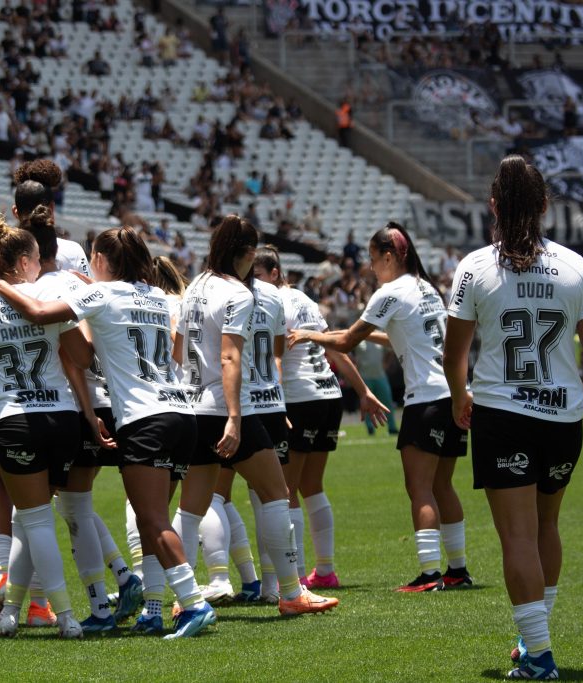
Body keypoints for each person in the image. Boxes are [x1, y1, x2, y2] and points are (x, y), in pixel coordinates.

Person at [442, 155, 583, 680]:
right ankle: (534, 641)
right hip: (563, 417)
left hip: (503, 412)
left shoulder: (475, 267)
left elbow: (454, 351)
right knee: (547, 525)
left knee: (519, 538)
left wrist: (460, 393)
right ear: (546, 204)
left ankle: (539, 655)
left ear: (494, 206)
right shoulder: (577, 268)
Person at [0, 226, 216, 638]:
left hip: (144, 417)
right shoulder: (155, 295)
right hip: (182, 413)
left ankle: (195, 602)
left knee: (151, 519)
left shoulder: (101, 293)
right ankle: (151, 608)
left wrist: (1, 287)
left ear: (101, 259)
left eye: (93, 255)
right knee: (153, 522)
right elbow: (89, 351)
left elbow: (40, 315)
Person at [0, 160, 91, 628]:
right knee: (55, 506)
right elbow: (81, 339)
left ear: (15, 207)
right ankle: (45, 604)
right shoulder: (71, 251)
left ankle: (3, 579)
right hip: (66, 399)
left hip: (4, 400)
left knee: (3, 488)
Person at [289, 222, 473, 593]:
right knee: (443, 486)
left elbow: (343, 342)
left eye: (375, 260)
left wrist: (309, 334)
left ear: (389, 256)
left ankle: (430, 574)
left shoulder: (390, 292)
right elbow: (402, 339)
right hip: (453, 394)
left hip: (425, 400)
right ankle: (457, 569)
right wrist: (368, 331)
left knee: (419, 488)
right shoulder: (427, 288)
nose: (372, 267)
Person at [174, 215, 339, 617]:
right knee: (275, 494)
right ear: (248, 253)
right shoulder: (240, 293)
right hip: (231, 409)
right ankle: (289, 591)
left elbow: (178, 348)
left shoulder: (195, 285)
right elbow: (230, 356)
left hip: (193, 405)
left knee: (191, 507)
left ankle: (178, 598)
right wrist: (234, 416)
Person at [255, 246, 389, 594]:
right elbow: (333, 348)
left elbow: (280, 359)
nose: (251, 282)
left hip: (300, 398)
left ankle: (297, 576)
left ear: (274, 273)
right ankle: (325, 570)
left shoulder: (273, 302)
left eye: (256, 274)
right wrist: (361, 390)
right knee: (311, 486)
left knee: (285, 492)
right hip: (328, 395)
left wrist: (275, 403)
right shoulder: (304, 300)